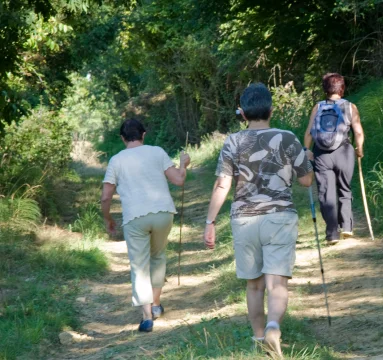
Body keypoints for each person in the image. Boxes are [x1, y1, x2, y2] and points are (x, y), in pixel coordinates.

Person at [203, 83, 313, 358]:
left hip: (244, 220)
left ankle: (257, 338)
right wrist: (307, 159)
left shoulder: (233, 141)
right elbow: (306, 180)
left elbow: (222, 185)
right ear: (271, 110)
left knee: (254, 285)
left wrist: (210, 221)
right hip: (280, 217)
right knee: (277, 284)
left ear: (243, 114)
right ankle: (274, 327)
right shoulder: (288, 137)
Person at [101, 118, 190, 332]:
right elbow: (178, 180)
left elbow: (106, 196)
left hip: (135, 218)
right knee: (158, 257)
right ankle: (157, 305)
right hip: (163, 213)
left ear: (122, 138)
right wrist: (183, 165)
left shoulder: (116, 160)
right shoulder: (157, 152)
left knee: (139, 265)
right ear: (144, 134)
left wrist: (108, 218)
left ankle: (147, 316)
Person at [304, 73, 365, 244]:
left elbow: (309, 132)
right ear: (342, 88)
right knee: (344, 189)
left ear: (325, 89)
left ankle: (332, 233)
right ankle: (346, 227)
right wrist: (359, 149)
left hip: (321, 154)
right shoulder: (351, 106)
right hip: (344, 152)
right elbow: (358, 131)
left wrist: (306, 150)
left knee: (325, 193)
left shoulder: (317, 107)